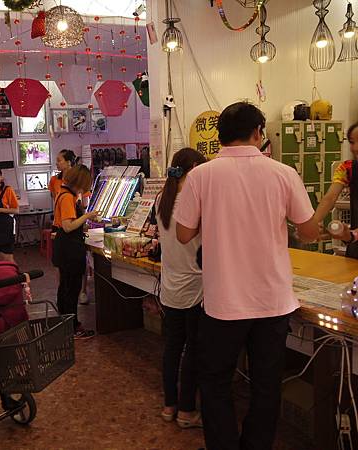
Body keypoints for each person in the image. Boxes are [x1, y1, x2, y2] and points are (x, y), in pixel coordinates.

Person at [174, 102, 319, 450]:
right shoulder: (283, 173)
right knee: (267, 386)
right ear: (258, 133)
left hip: (224, 302)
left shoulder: (200, 175)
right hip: (273, 301)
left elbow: (182, 234)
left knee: (215, 382)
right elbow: (310, 231)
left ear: (220, 136)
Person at [156, 148, 206, 429]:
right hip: (196, 286)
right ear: (196, 168)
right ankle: (187, 411)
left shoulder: (163, 198)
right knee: (194, 350)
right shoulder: (194, 200)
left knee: (173, 347)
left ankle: (169, 405)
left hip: (170, 286)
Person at [52, 164, 98, 339]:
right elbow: (68, 225)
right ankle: (72, 327)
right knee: (70, 289)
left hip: (65, 247)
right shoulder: (66, 197)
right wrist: (87, 216)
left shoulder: (66, 194)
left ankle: (65, 324)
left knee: (65, 287)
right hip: (69, 248)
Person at [314, 122, 358, 257]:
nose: (355, 148)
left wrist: (351, 235)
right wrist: (313, 224)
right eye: (351, 142)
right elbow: (330, 197)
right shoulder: (347, 168)